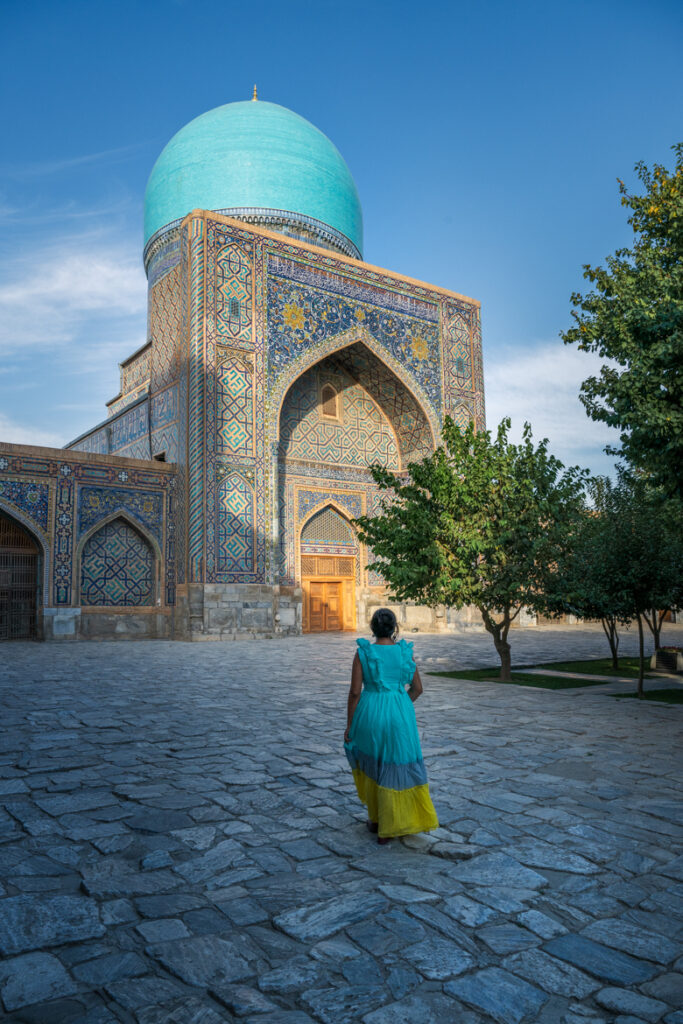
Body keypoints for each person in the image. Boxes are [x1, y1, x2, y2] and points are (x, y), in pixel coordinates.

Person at [344, 608, 439, 844]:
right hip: (400, 713)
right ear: (394, 628)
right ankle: (394, 822)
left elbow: (355, 692)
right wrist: (401, 703)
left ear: (373, 628)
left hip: (370, 711)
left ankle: (377, 821)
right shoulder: (404, 653)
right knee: (398, 764)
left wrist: (350, 725)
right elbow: (418, 688)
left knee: (375, 764)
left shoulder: (364, 652)